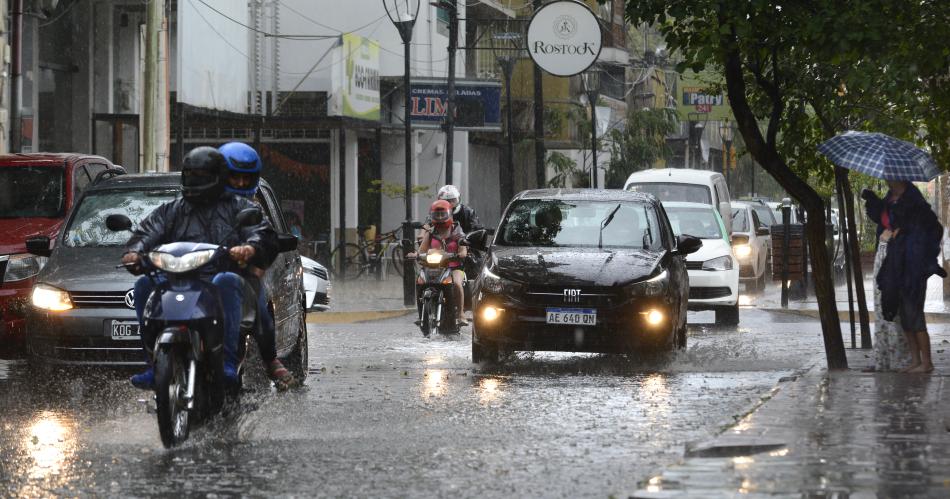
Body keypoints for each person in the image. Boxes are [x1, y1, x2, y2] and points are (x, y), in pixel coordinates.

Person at [122, 147, 278, 389]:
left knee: (228, 281)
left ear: (217, 177)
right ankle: (153, 365)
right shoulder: (172, 209)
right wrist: (134, 252)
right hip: (177, 279)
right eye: (191, 175)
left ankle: (227, 362)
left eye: (202, 176)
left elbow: (260, 232)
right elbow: (147, 231)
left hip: (219, 278)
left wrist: (250, 248)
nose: (196, 181)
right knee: (143, 284)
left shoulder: (238, 207)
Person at [219, 141, 295, 389]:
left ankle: (270, 359)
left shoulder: (254, 209)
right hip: (201, 273)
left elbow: (265, 237)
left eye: (245, 178)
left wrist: (252, 252)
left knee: (260, 308)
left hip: (240, 275)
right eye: (234, 177)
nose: (240, 184)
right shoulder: (196, 205)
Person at [863, 181, 945, 373]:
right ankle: (915, 361)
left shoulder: (915, 204)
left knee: (914, 316)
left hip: (912, 267)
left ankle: (927, 363)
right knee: (905, 316)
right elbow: (884, 222)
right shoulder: (890, 200)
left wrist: (903, 232)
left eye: (892, 176)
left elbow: (928, 229)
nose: (887, 179)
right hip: (895, 264)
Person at [410, 200, 468, 326]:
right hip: (434, 267)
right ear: (432, 216)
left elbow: (463, 250)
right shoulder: (431, 232)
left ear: (450, 215)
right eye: (437, 215)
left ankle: (461, 314)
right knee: (420, 281)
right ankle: (421, 314)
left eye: (443, 214)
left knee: (457, 284)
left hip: (454, 267)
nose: (440, 218)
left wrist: (461, 253)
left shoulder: (458, 232)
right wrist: (415, 255)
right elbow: (421, 250)